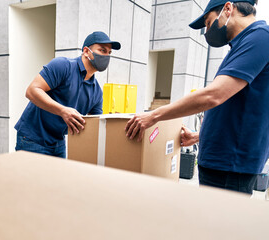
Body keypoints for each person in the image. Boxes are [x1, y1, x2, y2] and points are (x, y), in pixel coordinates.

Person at [125, 0, 269, 194]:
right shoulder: (243, 44)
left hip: (230, 166)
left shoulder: (260, 38)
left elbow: (214, 95)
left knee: (218, 223)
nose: (207, 31)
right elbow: (239, 107)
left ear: (228, 9)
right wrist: (199, 137)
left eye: (209, 23)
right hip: (221, 162)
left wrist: (153, 115)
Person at [15, 31, 121, 158]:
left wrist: (116, 123)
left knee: (59, 178)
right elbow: (32, 91)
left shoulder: (96, 91)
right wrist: (62, 111)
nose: (106, 56)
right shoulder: (63, 66)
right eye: (102, 50)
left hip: (59, 142)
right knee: (35, 178)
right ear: (87, 51)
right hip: (32, 138)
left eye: (109, 53)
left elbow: (96, 123)